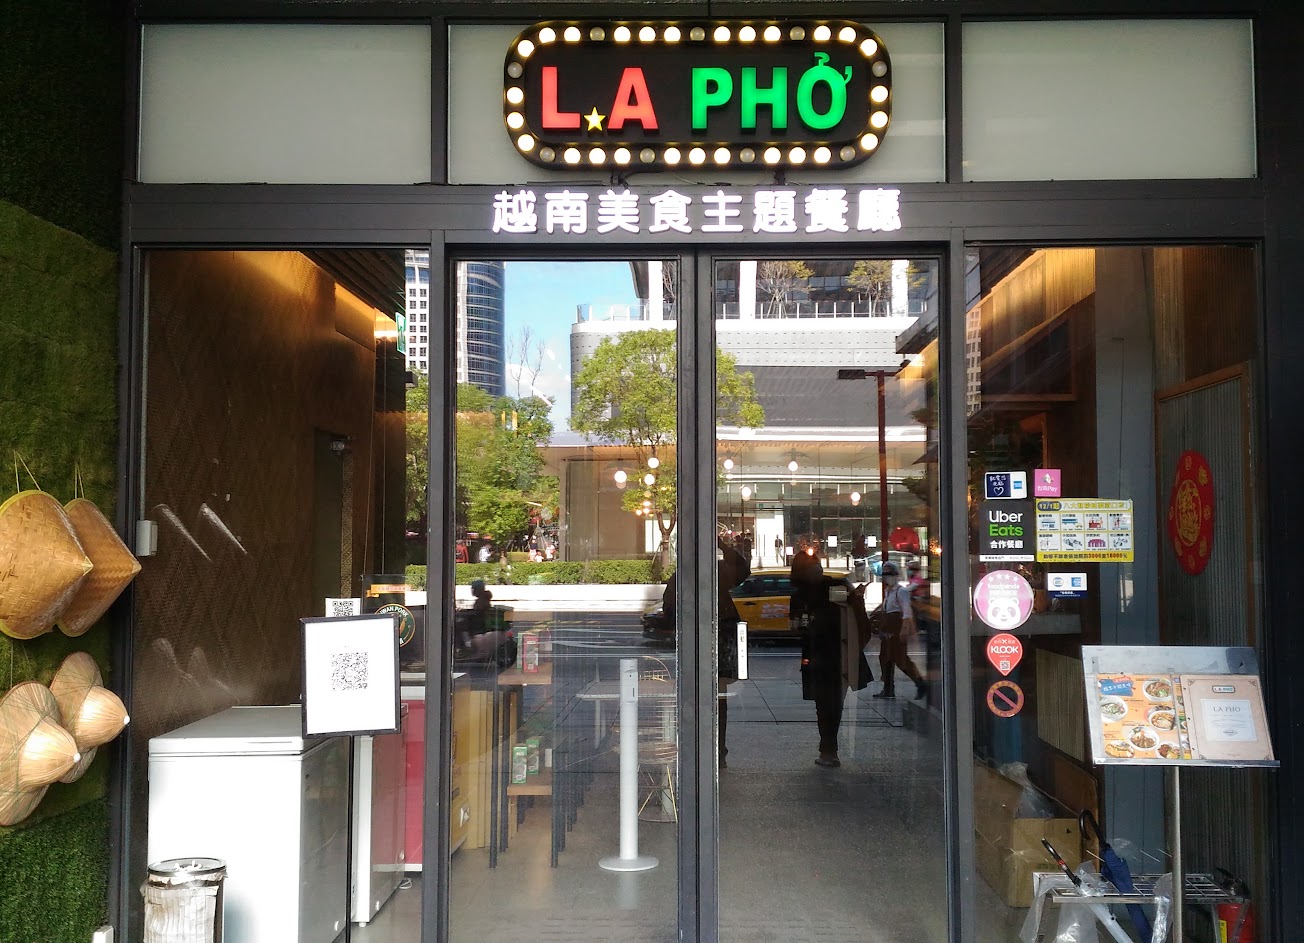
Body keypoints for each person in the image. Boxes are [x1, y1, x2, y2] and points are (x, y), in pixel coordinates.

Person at [661, 537, 750, 767]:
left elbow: (668, 612)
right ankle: (716, 751)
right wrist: (722, 545)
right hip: (714, 645)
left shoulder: (686, 578)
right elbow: (742, 569)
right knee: (716, 701)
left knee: (700, 700)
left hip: (704, 646)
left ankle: (706, 750)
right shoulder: (715, 574)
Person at [793, 553, 867, 767]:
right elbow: (798, 625)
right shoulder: (822, 589)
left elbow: (798, 626)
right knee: (829, 704)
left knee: (828, 704)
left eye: (816, 564)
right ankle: (828, 748)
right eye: (811, 565)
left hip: (829, 653)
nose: (816, 568)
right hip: (828, 654)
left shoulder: (821, 589)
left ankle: (828, 749)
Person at [872, 562, 928, 700]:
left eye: (890, 574)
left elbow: (906, 611)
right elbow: (886, 607)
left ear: (896, 575)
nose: (887, 577)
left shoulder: (901, 591)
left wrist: (904, 629)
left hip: (897, 629)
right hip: (887, 630)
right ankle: (888, 689)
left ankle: (920, 683)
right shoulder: (888, 591)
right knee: (886, 659)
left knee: (901, 660)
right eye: (885, 574)